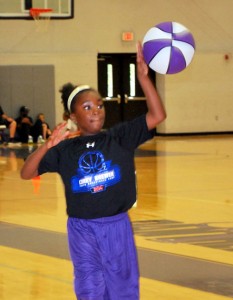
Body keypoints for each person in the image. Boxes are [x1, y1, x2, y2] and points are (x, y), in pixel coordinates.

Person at [20, 42, 166, 300]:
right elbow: (27, 173)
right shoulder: (65, 150)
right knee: (89, 288)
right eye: (87, 107)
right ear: (72, 117)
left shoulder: (119, 138)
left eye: (99, 105)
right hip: (82, 229)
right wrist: (47, 146)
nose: (96, 110)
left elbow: (157, 115)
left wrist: (144, 77)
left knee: (123, 289)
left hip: (117, 226)